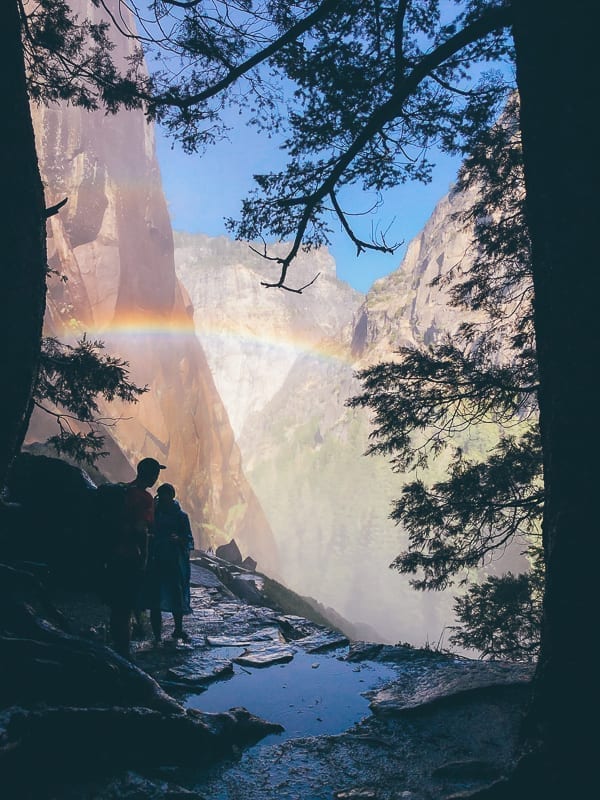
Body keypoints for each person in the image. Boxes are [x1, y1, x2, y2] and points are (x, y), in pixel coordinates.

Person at [105, 457, 165, 659]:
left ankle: (117, 646)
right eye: (156, 473)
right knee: (126, 605)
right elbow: (141, 529)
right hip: (131, 556)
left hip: (113, 553)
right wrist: (145, 557)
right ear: (152, 475)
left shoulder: (123, 490)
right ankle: (123, 653)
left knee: (117, 606)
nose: (157, 478)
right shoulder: (144, 498)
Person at [145, 483, 194, 644]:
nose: (163, 499)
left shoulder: (181, 516)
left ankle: (178, 629)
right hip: (156, 558)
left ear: (171, 496)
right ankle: (157, 634)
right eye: (161, 495)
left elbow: (187, 538)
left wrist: (177, 539)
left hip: (173, 560)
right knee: (155, 597)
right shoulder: (154, 513)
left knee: (175, 594)